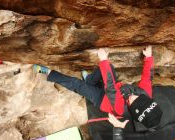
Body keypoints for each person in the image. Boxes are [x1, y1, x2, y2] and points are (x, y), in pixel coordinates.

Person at [33, 46, 162, 130]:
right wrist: (149, 57)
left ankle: (50, 74)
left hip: (102, 100)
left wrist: (104, 60)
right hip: (117, 89)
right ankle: (89, 80)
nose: (133, 97)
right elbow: (147, 78)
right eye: (139, 97)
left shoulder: (120, 108)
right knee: (108, 69)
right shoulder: (145, 94)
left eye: (133, 102)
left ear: (133, 111)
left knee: (77, 84)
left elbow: (110, 87)